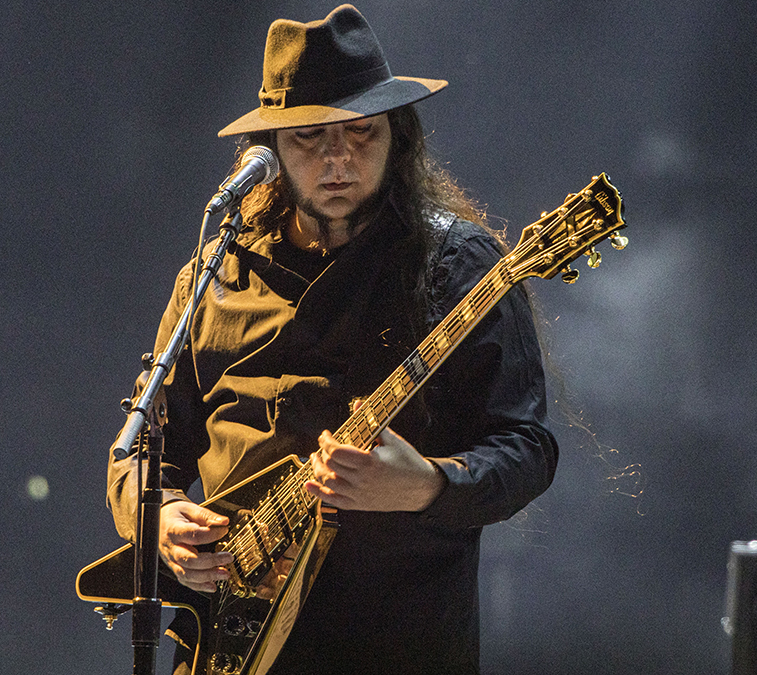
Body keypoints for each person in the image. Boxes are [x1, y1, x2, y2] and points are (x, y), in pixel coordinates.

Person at [105, 5, 558, 674]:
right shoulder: (216, 276)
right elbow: (142, 449)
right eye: (311, 137)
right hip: (230, 645)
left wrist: (430, 484)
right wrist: (164, 520)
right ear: (272, 152)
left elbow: (527, 447)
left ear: (397, 137)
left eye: (361, 133)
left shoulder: (459, 265)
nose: (339, 159)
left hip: (396, 644)